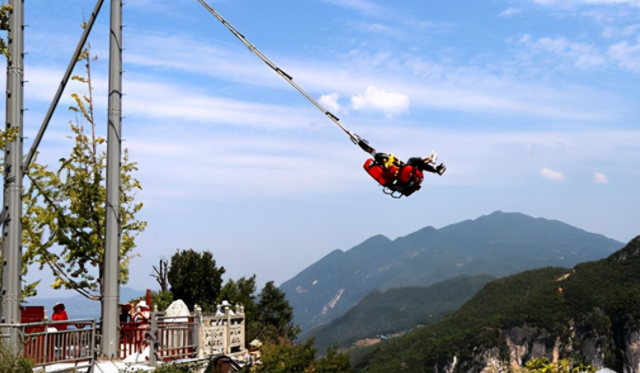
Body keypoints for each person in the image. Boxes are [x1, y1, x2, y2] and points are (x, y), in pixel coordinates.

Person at [361, 139, 446, 197]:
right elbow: (371, 152)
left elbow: (371, 151)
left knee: (417, 164)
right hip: (403, 180)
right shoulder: (382, 168)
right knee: (412, 161)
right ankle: (431, 161)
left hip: (406, 180)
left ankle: (434, 167)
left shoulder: (386, 165)